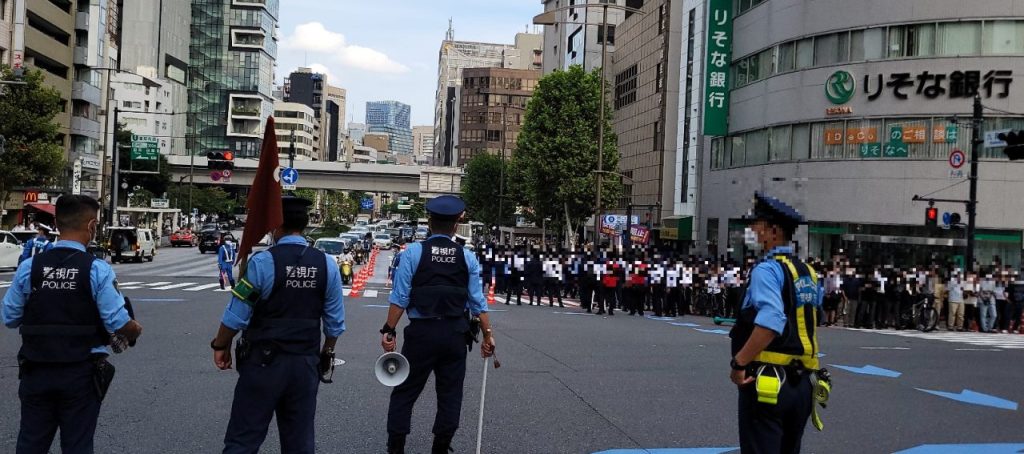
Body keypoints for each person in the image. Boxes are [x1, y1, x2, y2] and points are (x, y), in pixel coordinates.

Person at [3, 195, 143, 453]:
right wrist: (135, 329)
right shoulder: (96, 269)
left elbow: (9, 317)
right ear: (91, 226)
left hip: (36, 368)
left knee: (30, 443)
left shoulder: (30, 268)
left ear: (57, 222)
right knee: (77, 444)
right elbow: (117, 321)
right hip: (80, 372)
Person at [210, 195, 346, 454]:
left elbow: (237, 313)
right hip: (305, 364)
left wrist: (220, 344)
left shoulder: (263, 262)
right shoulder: (327, 264)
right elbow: (334, 324)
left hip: (263, 363)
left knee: (244, 439)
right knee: (299, 442)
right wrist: (326, 353)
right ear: (304, 225)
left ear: (276, 226)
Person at [381, 195, 495, 454]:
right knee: (450, 394)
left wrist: (389, 330)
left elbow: (400, 298)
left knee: (405, 392)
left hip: (421, 333)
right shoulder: (467, 257)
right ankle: (441, 447)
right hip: (455, 334)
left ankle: (396, 446)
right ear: (457, 224)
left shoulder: (413, 253)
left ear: (429, 222)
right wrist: (488, 335)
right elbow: (478, 303)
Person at [729, 193, 825, 454]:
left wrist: (739, 363)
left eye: (756, 225)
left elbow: (771, 322)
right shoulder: (808, 271)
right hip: (804, 383)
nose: (750, 230)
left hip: (768, 381)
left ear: (772, 231)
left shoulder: (767, 270)